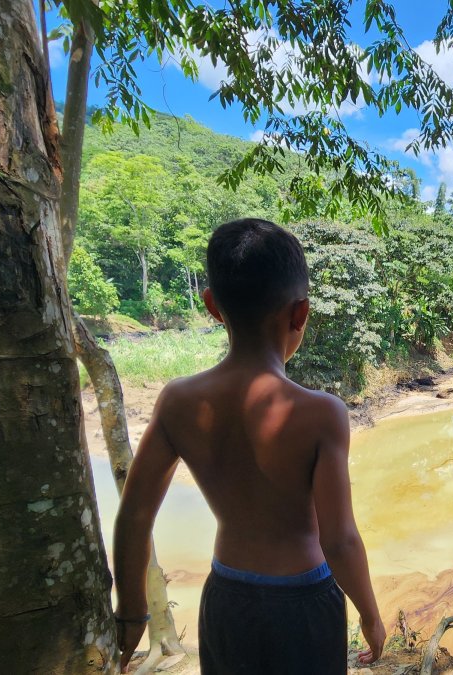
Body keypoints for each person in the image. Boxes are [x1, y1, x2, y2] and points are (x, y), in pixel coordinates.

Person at [112, 218, 385, 673]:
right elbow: (339, 540)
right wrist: (371, 617)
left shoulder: (178, 401)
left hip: (227, 599)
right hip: (304, 603)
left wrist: (131, 610)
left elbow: (135, 514)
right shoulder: (322, 413)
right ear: (301, 314)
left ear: (212, 306)